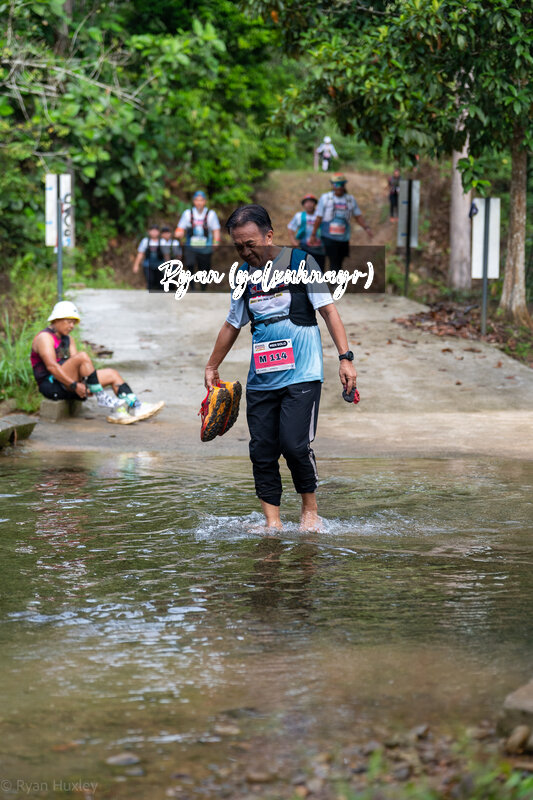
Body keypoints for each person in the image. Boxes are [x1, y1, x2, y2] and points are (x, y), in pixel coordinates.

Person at [203, 204, 358, 532]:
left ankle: (310, 512)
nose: (246, 252)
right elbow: (232, 324)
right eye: (239, 247)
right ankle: (272, 523)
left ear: (269, 236)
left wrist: (345, 358)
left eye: (251, 244)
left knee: (294, 445)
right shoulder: (243, 275)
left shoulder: (301, 263)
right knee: (261, 450)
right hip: (262, 378)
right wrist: (212, 365)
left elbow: (328, 311)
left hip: (302, 372)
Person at [30, 301, 165, 424]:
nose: (72, 326)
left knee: (112, 374)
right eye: (69, 322)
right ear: (56, 319)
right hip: (52, 386)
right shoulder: (45, 338)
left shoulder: (68, 339)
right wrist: (75, 385)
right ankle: (101, 396)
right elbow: (52, 367)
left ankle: (133, 407)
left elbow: (78, 366)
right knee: (82, 356)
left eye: (73, 323)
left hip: (69, 383)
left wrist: (86, 384)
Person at [308, 174, 373, 270]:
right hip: (328, 237)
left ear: (344, 185)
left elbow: (358, 216)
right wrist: (313, 234)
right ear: (332, 185)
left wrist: (366, 228)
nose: (339, 187)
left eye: (341, 184)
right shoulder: (325, 198)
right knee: (334, 262)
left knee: (339, 262)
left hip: (343, 238)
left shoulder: (350, 200)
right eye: (336, 184)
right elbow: (319, 217)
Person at [175, 191, 221, 290]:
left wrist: (216, 242)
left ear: (205, 201)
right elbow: (180, 228)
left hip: (205, 247)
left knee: (204, 269)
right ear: (193, 201)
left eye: (201, 200)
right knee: (190, 267)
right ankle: (192, 288)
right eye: (197, 200)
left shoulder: (211, 214)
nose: (199, 203)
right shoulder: (187, 214)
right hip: (190, 247)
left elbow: (216, 230)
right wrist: (179, 233)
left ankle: (203, 288)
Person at [287, 194, 326, 270]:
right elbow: (290, 228)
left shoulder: (320, 216)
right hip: (304, 246)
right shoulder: (299, 216)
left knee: (319, 268)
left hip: (319, 247)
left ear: (315, 204)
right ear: (303, 204)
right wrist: (293, 242)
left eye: (311, 202)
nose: (309, 205)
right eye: (307, 202)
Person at [132, 224, 165, 290]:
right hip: (148, 265)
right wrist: (136, 265)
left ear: (159, 232)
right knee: (150, 281)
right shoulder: (145, 241)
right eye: (152, 231)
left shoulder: (163, 242)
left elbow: (166, 255)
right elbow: (140, 254)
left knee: (161, 283)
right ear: (149, 232)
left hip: (160, 265)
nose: (154, 232)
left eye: (156, 231)